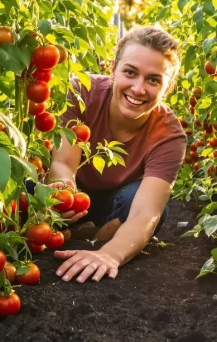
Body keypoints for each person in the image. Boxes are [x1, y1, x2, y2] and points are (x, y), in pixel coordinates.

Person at [45, 26, 187, 284]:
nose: (138, 89)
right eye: (130, 72)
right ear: (113, 70)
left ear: (167, 89)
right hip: (76, 197)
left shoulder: (169, 135)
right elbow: (62, 162)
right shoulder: (81, 92)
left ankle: (95, 237)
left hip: (116, 206)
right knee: (28, 186)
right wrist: (64, 193)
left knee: (148, 206)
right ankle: (80, 229)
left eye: (153, 80)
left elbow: (146, 213)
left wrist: (110, 254)